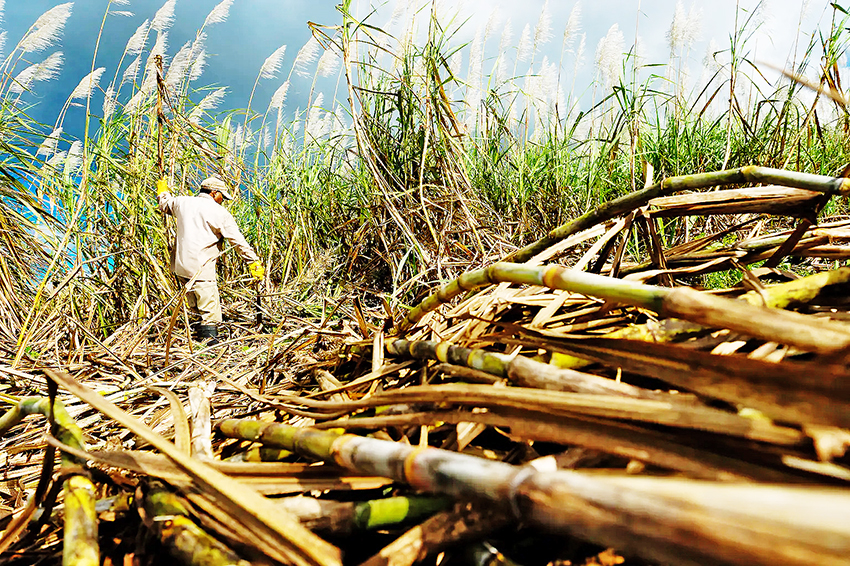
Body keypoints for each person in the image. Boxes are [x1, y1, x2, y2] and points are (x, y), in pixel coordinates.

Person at [156, 175, 264, 344]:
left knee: (195, 309)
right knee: (210, 314)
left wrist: (162, 191)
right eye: (222, 196)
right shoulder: (219, 212)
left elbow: (164, 204)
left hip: (181, 267)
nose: (223, 201)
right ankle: (210, 352)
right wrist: (253, 262)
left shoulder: (181, 202)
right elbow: (238, 241)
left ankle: (196, 345)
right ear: (214, 193)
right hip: (201, 269)